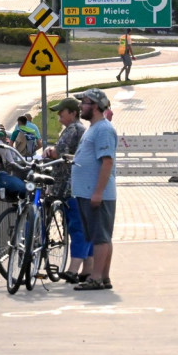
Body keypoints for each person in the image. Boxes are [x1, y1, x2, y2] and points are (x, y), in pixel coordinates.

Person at [70, 88, 118, 291]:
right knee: (101, 236)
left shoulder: (103, 130)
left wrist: (97, 192)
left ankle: (96, 277)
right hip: (88, 192)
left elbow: (107, 162)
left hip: (97, 194)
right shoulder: (94, 128)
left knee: (100, 237)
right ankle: (103, 277)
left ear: (96, 106)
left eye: (85, 102)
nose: (81, 106)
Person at [45, 97, 92, 284]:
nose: (59, 115)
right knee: (78, 227)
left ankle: (74, 270)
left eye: (62, 112)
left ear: (73, 113)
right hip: (68, 185)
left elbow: (59, 153)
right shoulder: (75, 129)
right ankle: (87, 268)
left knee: (76, 227)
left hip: (69, 185)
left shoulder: (74, 129)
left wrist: (49, 152)